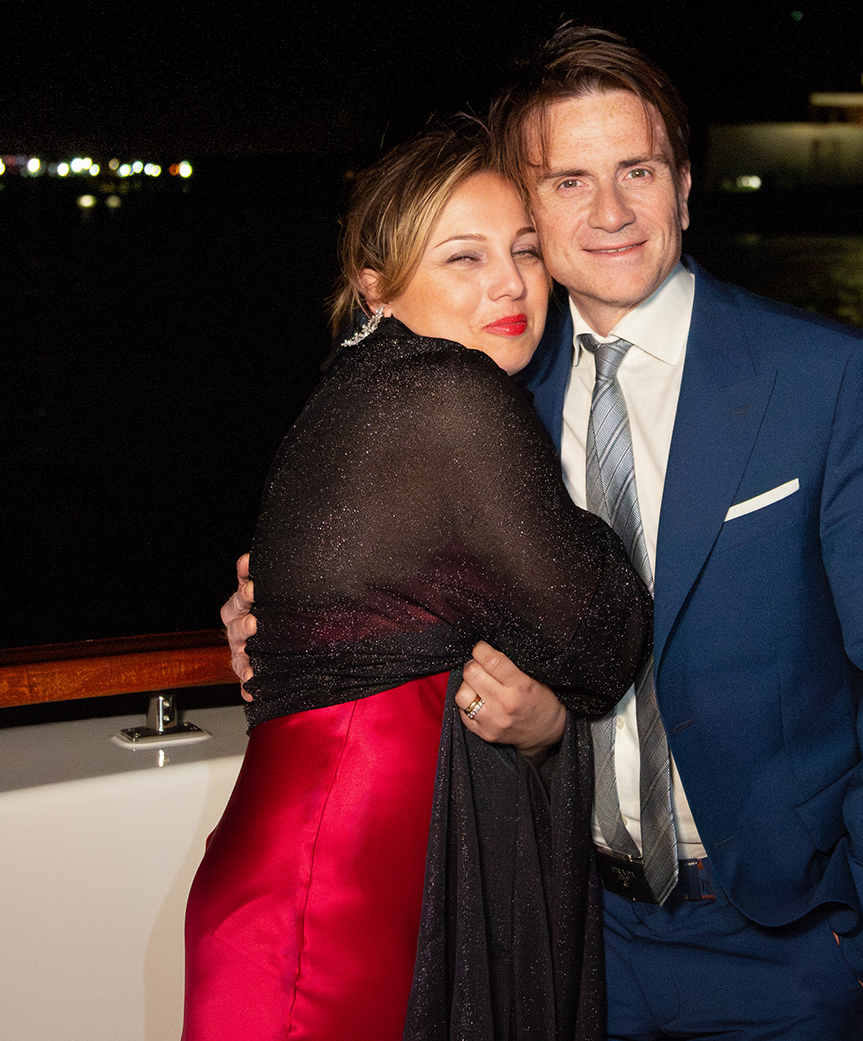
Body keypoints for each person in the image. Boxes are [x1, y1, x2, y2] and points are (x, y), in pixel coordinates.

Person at [230, 26, 863, 1041]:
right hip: (567, 930)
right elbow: (371, 575)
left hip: (784, 947)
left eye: (638, 170)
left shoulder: (825, 378)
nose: (612, 211)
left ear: (685, 184)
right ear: (526, 202)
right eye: (569, 181)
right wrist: (271, 618)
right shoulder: (487, 390)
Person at [183, 121, 652, 1041]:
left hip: (315, 874)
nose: (511, 284)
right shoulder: (449, 396)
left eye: (524, 250)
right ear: (376, 287)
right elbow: (600, 636)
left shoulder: (362, 392)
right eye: (463, 258)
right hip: (337, 898)